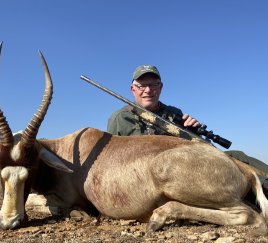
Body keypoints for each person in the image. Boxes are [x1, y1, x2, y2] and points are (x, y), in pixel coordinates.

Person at [107, 64, 268, 195]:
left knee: (237, 156)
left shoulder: (174, 113)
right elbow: (112, 162)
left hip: (188, 162)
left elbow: (192, 145)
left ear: (161, 87)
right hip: (155, 177)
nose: (148, 90)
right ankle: (260, 190)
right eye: (142, 85)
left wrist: (194, 131)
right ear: (132, 89)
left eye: (153, 85)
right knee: (227, 172)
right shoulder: (119, 119)